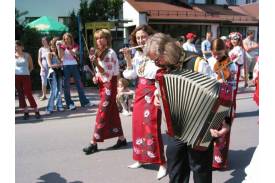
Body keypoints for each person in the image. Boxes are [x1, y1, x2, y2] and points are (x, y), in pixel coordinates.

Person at [144, 33, 228, 183]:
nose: (157, 64)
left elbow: (220, 95)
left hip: (202, 126)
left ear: (167, 51)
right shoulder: (165, 67)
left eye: (157, 60)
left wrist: (220, 123)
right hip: (176, 126)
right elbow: (161, 88)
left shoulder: (197, 63)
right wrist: (158, 96)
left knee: (200, 168)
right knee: (175, 166)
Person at [120, 25, 167, 180]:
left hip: (154, 90)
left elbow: (162, 72)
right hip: (140, 91)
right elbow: (131, 75)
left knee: (152, 126)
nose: (140, 40)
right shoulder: (139, 54)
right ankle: (140, 158)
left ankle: (162, 163)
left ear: (150, 37)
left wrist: (158, 90)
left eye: (143, 37)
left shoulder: (158, 52)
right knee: (138, 124)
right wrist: (128, 59)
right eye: (138, 37)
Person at [82, 29, 127, 155]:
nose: (99, 40)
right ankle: (122, 139)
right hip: (103, 86)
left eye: (101, 38)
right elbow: (99, 71)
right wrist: (95, 76)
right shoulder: (99, 52)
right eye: (97, 38)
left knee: (101, 114)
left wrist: (96, 63)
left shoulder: (110, 53)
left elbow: (108, 73)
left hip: (109, 86)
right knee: (112, 113)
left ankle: (93, 143)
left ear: (107, 39)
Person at [207, 38, 237, 170]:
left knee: (223, 129)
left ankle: (220, 161)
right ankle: (210, 159)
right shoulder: (210, 61)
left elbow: (234, 85)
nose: (216, 56)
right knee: (211, 128)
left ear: (224, 50)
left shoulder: (231, 64)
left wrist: (225, 83)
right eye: (214, 53)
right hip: (212, 99)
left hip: (226, 98)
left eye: (218, 53)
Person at [58, 33, 93, 110]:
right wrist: (61, 48)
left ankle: (84, 102)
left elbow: (74, 53)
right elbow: (60, 57)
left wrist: (68, 47)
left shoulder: (75, 45)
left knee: (79, 84)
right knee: (67, 86)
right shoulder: (62, 46)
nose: (66, 40)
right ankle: (69, 103)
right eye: (65, 39)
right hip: (66, 66)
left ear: (71, 39)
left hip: (74, 65)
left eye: (68, 38)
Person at [15, 40, 40, 120]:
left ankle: (36, 110)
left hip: (26, 76)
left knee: (28, 93)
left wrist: (26, 73)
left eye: (17, 46)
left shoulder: (27, 55)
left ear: (21, 47)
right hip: (16, 77)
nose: (15, 48)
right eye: (14, 47)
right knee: (20, 94)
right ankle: (26, 112)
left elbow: (31, 67)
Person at [45, 39, 64, 114]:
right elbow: (50, 65)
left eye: (55, 47)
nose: (54, 48)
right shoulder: (48, 54)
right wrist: (57, 65)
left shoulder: (57, 54)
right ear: (50, 46)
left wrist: (56, 55)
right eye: (52, 46)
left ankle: (59, 105)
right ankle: (49, 108)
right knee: (53, 91)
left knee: (60, 90)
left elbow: (61, 63)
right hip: (52, 73)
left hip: (59, 72)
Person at [228, 32, 245, 114]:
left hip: (234, 71)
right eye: (232, 39)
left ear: (239, 40)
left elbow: (238, 61)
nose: (233, 40)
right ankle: (231, 111)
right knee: (231, 91)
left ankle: (232, 111)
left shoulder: (238, 49)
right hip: (232, 71)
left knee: (232, 91)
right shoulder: (235, 48)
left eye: (235, 39)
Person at [37, 36, 50, 101]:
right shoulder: (41, 49)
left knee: (52, 81)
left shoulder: (50, 48)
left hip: (50, 65)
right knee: (43, 81)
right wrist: (41, 66)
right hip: (44, 64)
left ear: (47, 41)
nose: (43, 42)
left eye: (44, 40)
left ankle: (54, 95)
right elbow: (39, 60)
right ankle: (44, 95)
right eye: (42, 41)